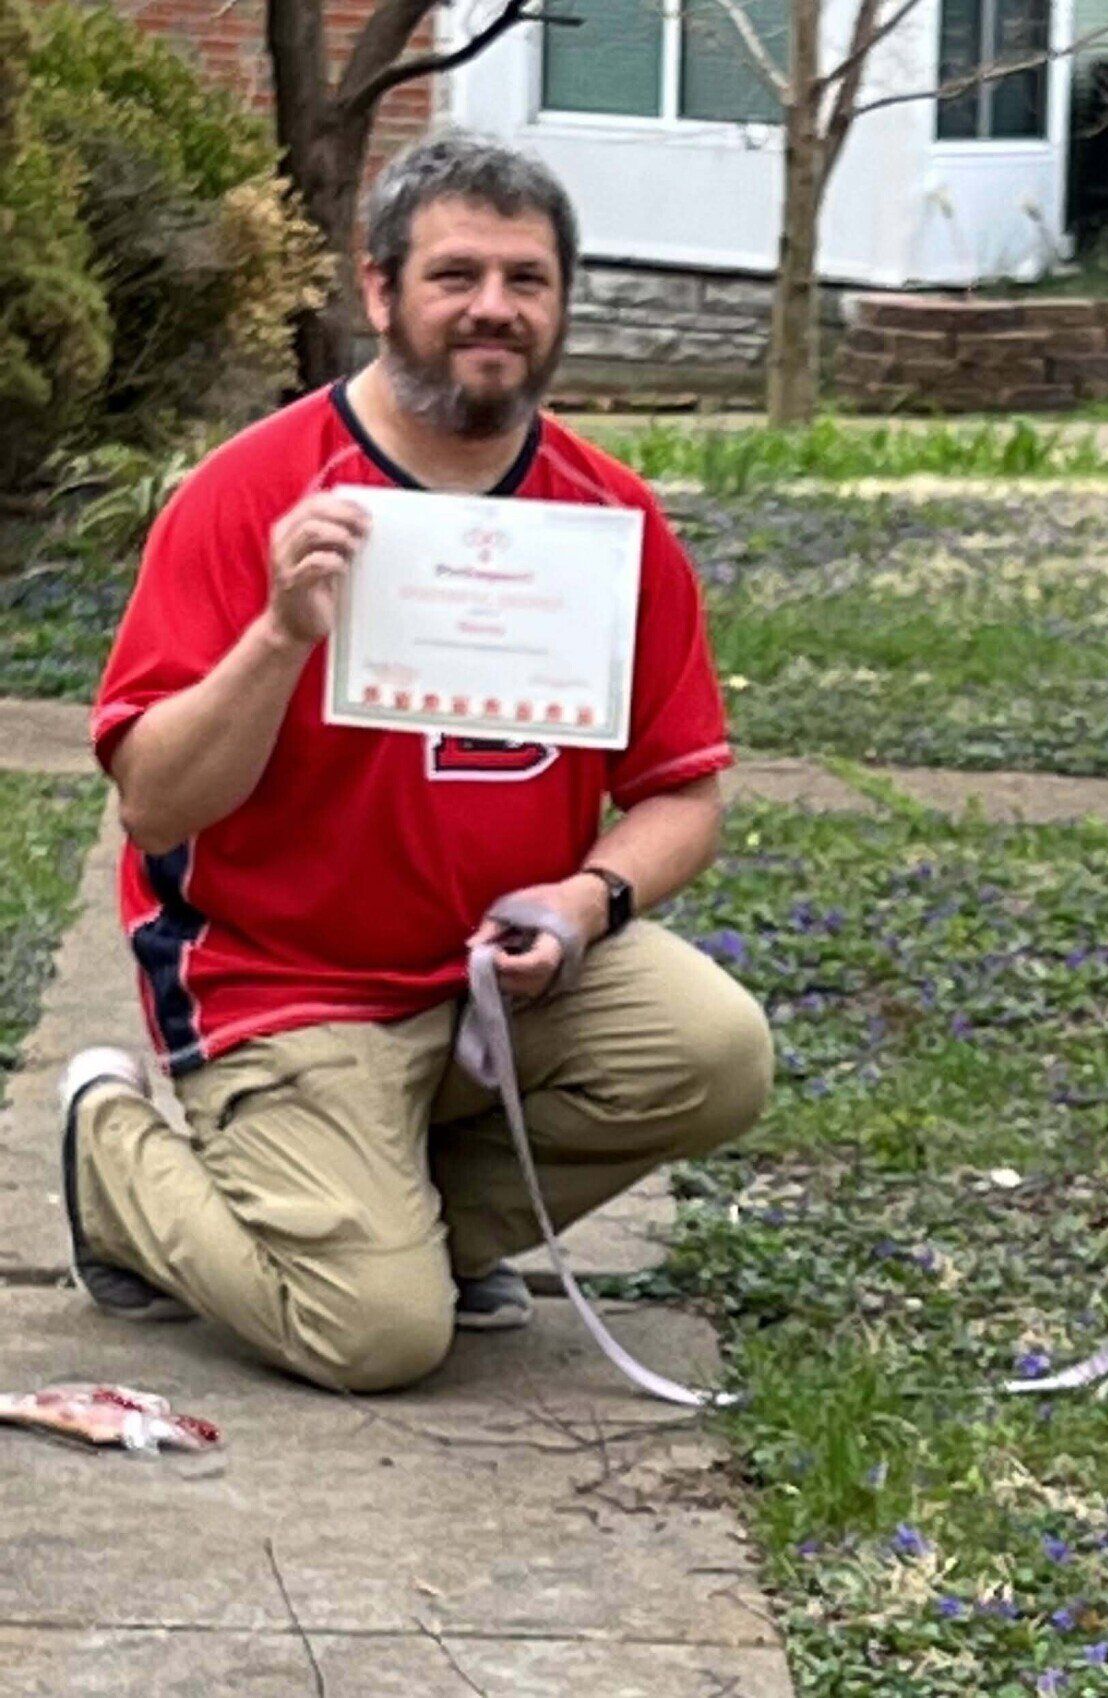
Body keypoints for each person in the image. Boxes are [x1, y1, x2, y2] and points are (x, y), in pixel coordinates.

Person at [57, 133, 773, 1395]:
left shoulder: (609, 520)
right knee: (378, 1338)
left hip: (501, 979)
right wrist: (281, 636)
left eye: (527, 279)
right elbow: (155, 800)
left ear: (559, 302)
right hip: (288, 984)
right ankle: (114, 1161)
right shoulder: (249, 497)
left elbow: (681, 792)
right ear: (379, 291)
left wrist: (583, 901)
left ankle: (432, 1220)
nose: (493, 307)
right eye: (455, 275)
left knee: (715, 1049)